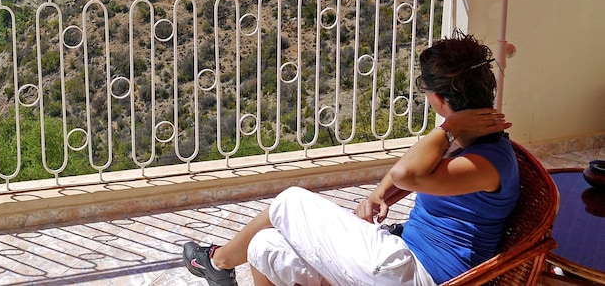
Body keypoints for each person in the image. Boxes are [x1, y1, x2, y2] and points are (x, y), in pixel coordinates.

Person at [182, 33, 520, 286]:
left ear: (440, 100)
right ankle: (221, 263)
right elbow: (411, 172)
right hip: (397, 256)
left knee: (290, 202)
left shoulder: (488, 161)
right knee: (264, 246)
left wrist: (448, 128)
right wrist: (378, 194)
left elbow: (407, 174)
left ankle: (219, 261)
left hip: (417, 274)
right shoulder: (460, 141)